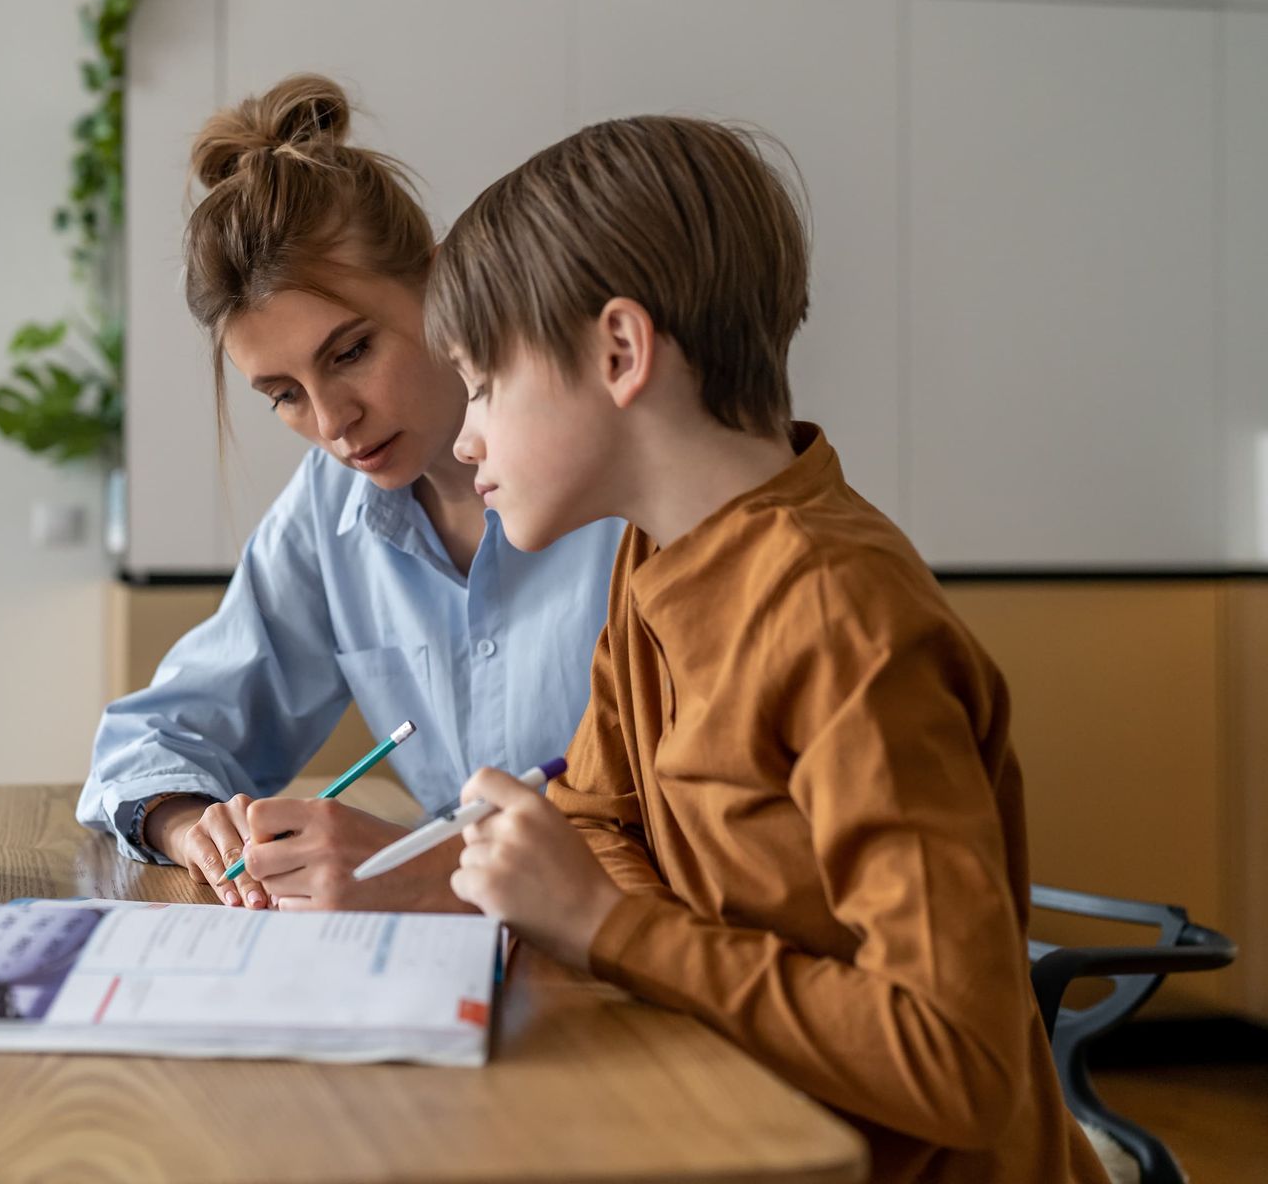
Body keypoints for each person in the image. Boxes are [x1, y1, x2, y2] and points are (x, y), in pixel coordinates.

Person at [421, 114, 1109, 1181]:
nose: (463, 437)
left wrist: (608, 925)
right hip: (732, 1125)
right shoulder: (650, 555)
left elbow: (961, 1063)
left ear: (618, 351)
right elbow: (598, 819)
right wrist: (596, 908)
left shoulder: (839, 614)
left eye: (482, 383)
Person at [77, 75, 623, 912]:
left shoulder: (619, 483)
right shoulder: (333, 507)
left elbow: (700, 836)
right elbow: (152, 738)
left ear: (444, 286)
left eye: (351, 352)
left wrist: (426, 873)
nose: (334, 422)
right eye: (284, 395)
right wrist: (192, 824)